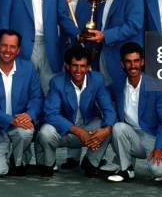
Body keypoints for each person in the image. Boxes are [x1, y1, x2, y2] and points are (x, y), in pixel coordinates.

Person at [36, 45, 116, 177]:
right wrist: (79, 131)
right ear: (67, 66)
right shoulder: (57, 82)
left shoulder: (97, 79)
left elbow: (108, 109)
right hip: (64, 131)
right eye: (75, 65)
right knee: (46, 132)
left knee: (109, 126)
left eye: (83, 66)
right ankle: (48, 165)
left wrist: (106, 129)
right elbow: (51, 114)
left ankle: (91, 162)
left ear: (88, 67)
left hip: (87, 126)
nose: (79, 70)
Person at [61, 0, 107, 170]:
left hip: (88, 56)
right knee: (68, 101)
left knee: (89, 103)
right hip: (63, 53)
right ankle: (71, 154)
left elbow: (103, 21)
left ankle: (94, 150)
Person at [0, 29, 43, 177]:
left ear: (18, 50)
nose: (7, 50)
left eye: (12, 47)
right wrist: (11, 120)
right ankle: (0, 152)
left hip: (21, 125)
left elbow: (37, 98)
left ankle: (18, 161)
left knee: (25, 132)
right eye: (4, 45)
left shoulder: (29, 69)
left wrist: (29, 115)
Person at [107, 42, 162, 183]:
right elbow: (102, 94)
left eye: (136, 61)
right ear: (122, 64)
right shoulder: (118, 85)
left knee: (157, 172)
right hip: (131, 134)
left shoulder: (156, 86)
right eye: (128, 62)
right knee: (118, 127)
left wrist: (159, 148)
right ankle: (126, 169)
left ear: (142, 62)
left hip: (152, 137)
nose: (133, 66)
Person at [84, 0, 144, 86]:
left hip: (121, 57)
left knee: (120, 99)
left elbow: (134, 25)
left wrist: (104, 35)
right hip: (104, 55)